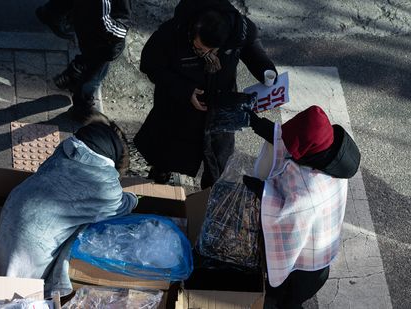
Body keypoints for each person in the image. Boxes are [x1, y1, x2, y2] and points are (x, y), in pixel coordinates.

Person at [0, 116, 138, 297]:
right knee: (15, 296)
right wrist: (134, 198)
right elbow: (121, 207)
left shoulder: (66, 148)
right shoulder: (107, 187)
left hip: (14, 207)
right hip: (33, 238)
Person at [134, 0, 277, 188]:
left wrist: (267, 72)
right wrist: (184, 90)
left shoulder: (239, 31)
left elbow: (252, 50)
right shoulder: (172, 33)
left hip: (221, 106)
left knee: (217, 161)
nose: (207, 54)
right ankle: (160, 176)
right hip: (178, 107)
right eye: (200, 49)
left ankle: (208, 196)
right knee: (168, 150)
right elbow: (150, 65)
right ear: (193, 30)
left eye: (213, 50)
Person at [243, 105, 361, 308]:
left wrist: (253, 186)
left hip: (303, 269)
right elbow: (289, 139)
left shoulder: (309, 194)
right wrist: (254, 121)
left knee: (283, 303)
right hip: (321, 259)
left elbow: (279, 215)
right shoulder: (330, 154)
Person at [35, 0, 130, 121]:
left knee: (90, 57)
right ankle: (82, 107)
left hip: (88, 27)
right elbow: (104, 23)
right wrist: (122, 32)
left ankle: (73, 75)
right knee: (95, 73)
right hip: (103, 39)